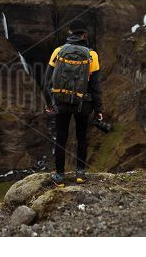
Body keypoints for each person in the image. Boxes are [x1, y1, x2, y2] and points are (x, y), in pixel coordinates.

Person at [43, 19, 103, 186]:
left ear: (70, 33)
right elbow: (96, 85)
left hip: (61, 102)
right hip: (83, 104)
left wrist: (49, 103)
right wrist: (98, 109)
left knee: (61, 138)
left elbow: (46, 81)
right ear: (84, 35)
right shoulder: (92, 55)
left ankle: (60, 177)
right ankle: (80, 174)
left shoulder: (58, 51)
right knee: (81, 137)